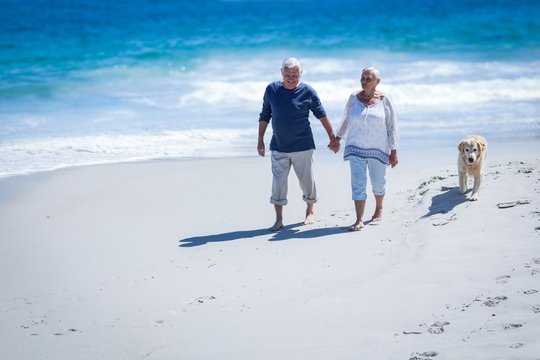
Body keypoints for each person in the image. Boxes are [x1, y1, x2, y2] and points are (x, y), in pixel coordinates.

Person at [257, 57, 339, 231]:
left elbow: (321, 115)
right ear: (281, 73)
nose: (291, 78)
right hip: (279, 146)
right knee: (278, 184)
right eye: (288, 74)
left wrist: (332, 138)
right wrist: (260, 140)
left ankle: (310, 210)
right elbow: (265, 115)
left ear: (301, 73)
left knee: (307, 182)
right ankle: (279, 219)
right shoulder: (272, 90)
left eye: (295, 74)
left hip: (303, 145)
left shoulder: (308, 91)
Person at [335, 66, 399, 231]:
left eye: (368, 79)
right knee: (358, 183)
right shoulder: (353, 98)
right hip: (355, 147)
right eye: (363, 78)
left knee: (378, 183)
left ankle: (378, 208)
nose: (364, 81)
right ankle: (359, 219)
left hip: (378, 148)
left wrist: (394, 150)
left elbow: (392, 126)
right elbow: (345, 119)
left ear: (377, 82)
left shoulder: (385, 100)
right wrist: (337, 138)